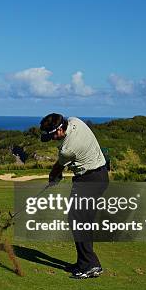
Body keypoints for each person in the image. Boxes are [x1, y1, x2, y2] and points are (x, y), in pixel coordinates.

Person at [40, 113, 109, 279]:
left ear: (58, 132)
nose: (53, 140)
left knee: (78, 220)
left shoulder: (67, 148)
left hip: (89, 180)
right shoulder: (74, 120)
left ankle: (91, 265)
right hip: (99, 175)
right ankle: (83, 262)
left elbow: (58, 167)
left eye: (52, 137)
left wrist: (53, 176)